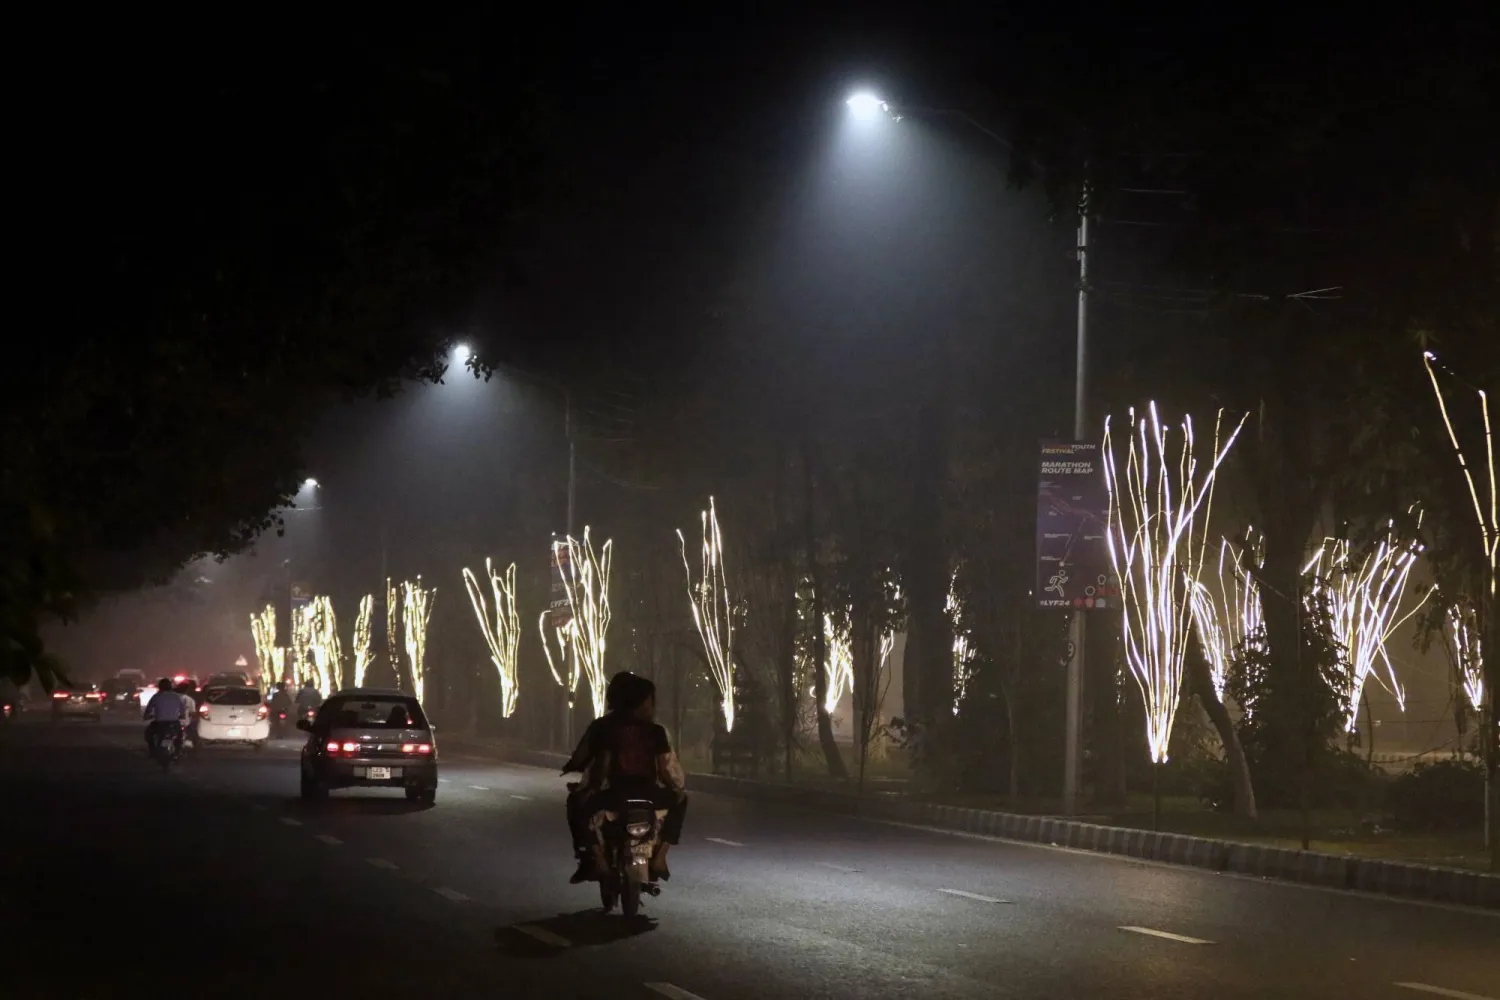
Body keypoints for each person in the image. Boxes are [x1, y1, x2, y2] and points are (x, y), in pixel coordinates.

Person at [580, 676, 687, 882]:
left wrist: (593, 788)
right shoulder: (656, 731)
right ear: (639, 703)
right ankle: (661, 857)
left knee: (583, 808)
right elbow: (663, 769)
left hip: (617, 794)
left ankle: (599, 859)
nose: (652, 706)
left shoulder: (610, 730)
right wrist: (675, 788)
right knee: (681, 801)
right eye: (649, 701)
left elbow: (604, 765)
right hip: (649, 793)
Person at [561, 671, 639, 883]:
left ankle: (590, 858)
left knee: (577, 804)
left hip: (610, 790)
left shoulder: (602, 726)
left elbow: (583, 756)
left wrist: (572, 766)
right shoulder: (653, 728)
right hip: (646, 790)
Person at [142, 678, 190, 755]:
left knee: (148, 735)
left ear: (160, 686)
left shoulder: (156, 697)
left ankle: (152, 752)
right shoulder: (177, 697)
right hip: (174, 723)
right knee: (179, 736)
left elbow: (148, 710)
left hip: (159, 724)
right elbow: (182, 711)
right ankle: (177, 753)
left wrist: (147, 716)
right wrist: (181, 716)